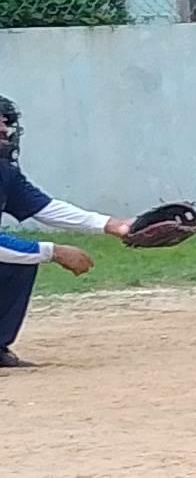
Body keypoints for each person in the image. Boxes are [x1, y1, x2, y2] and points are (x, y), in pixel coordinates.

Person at [0, 94, 133, 368]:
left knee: (18, 263)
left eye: (6, 124)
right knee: (22, 256)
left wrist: (111, 225)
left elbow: (44, 207)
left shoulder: (4, 171)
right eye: (0, 124)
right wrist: (54, 251)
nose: (6, 131)